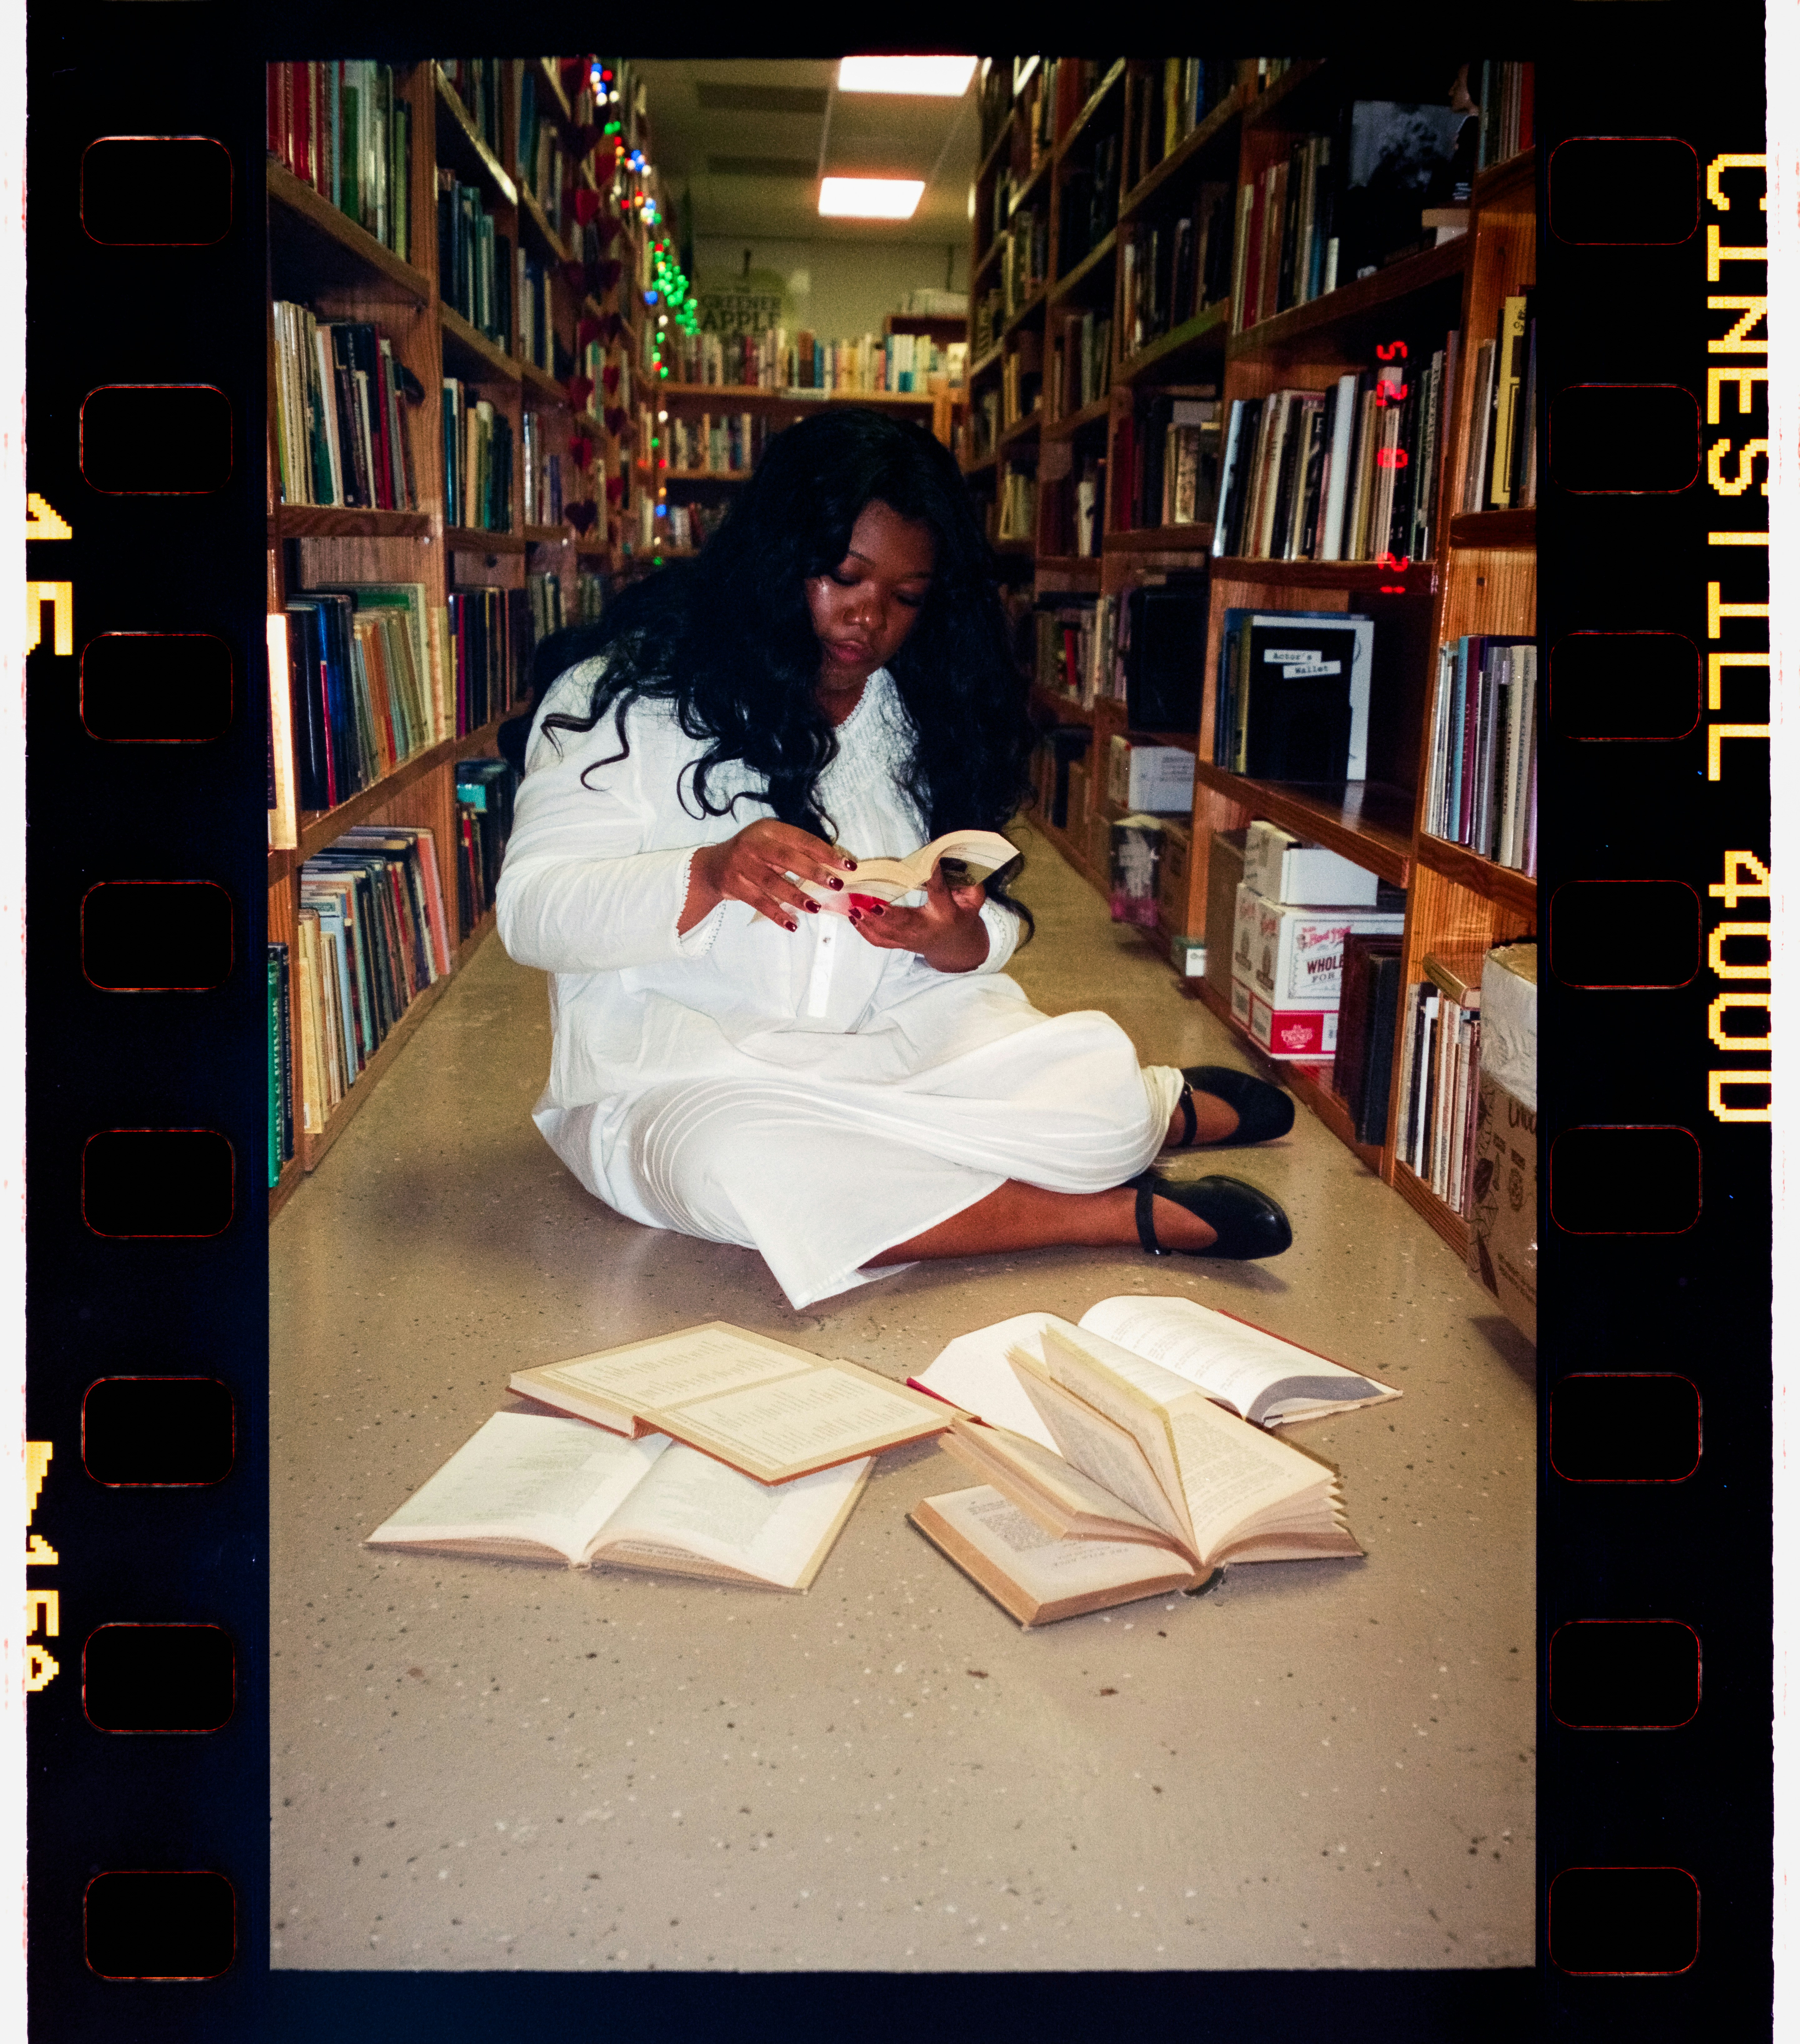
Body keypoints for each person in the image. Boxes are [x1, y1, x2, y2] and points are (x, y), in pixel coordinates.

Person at [495, 406, 1295, 1313]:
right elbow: (531, 911)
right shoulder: (622, 697)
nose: (869, 618)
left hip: (889, 1044)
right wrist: (711, 871)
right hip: (686, 1074)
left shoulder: (919, 707)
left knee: (1096, 1093)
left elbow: (983, 923)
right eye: (844, 577)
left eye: (907, 597)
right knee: (736, 1167)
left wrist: (946, 936)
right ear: (777, 558)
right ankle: (1112, 1211)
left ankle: (1150, 1110)